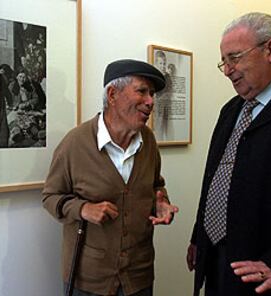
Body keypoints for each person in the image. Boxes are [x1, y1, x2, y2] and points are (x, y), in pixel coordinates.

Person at [187, 12, 271, 296]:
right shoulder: (231, 110)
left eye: (235, 57)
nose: (228, 70)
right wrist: (199, 238)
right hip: (217, 263)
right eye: (224, 62)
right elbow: (214, 180)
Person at [43, 59, 179, 296]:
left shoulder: (148, 142)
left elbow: (157, 184)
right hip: (89, 280)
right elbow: (50, 197)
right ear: (113, 94)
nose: (150, 102)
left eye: (152, 94)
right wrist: (84, 209)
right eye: (142, 91)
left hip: (138, 277)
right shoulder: (75, 143)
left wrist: (161, 202)